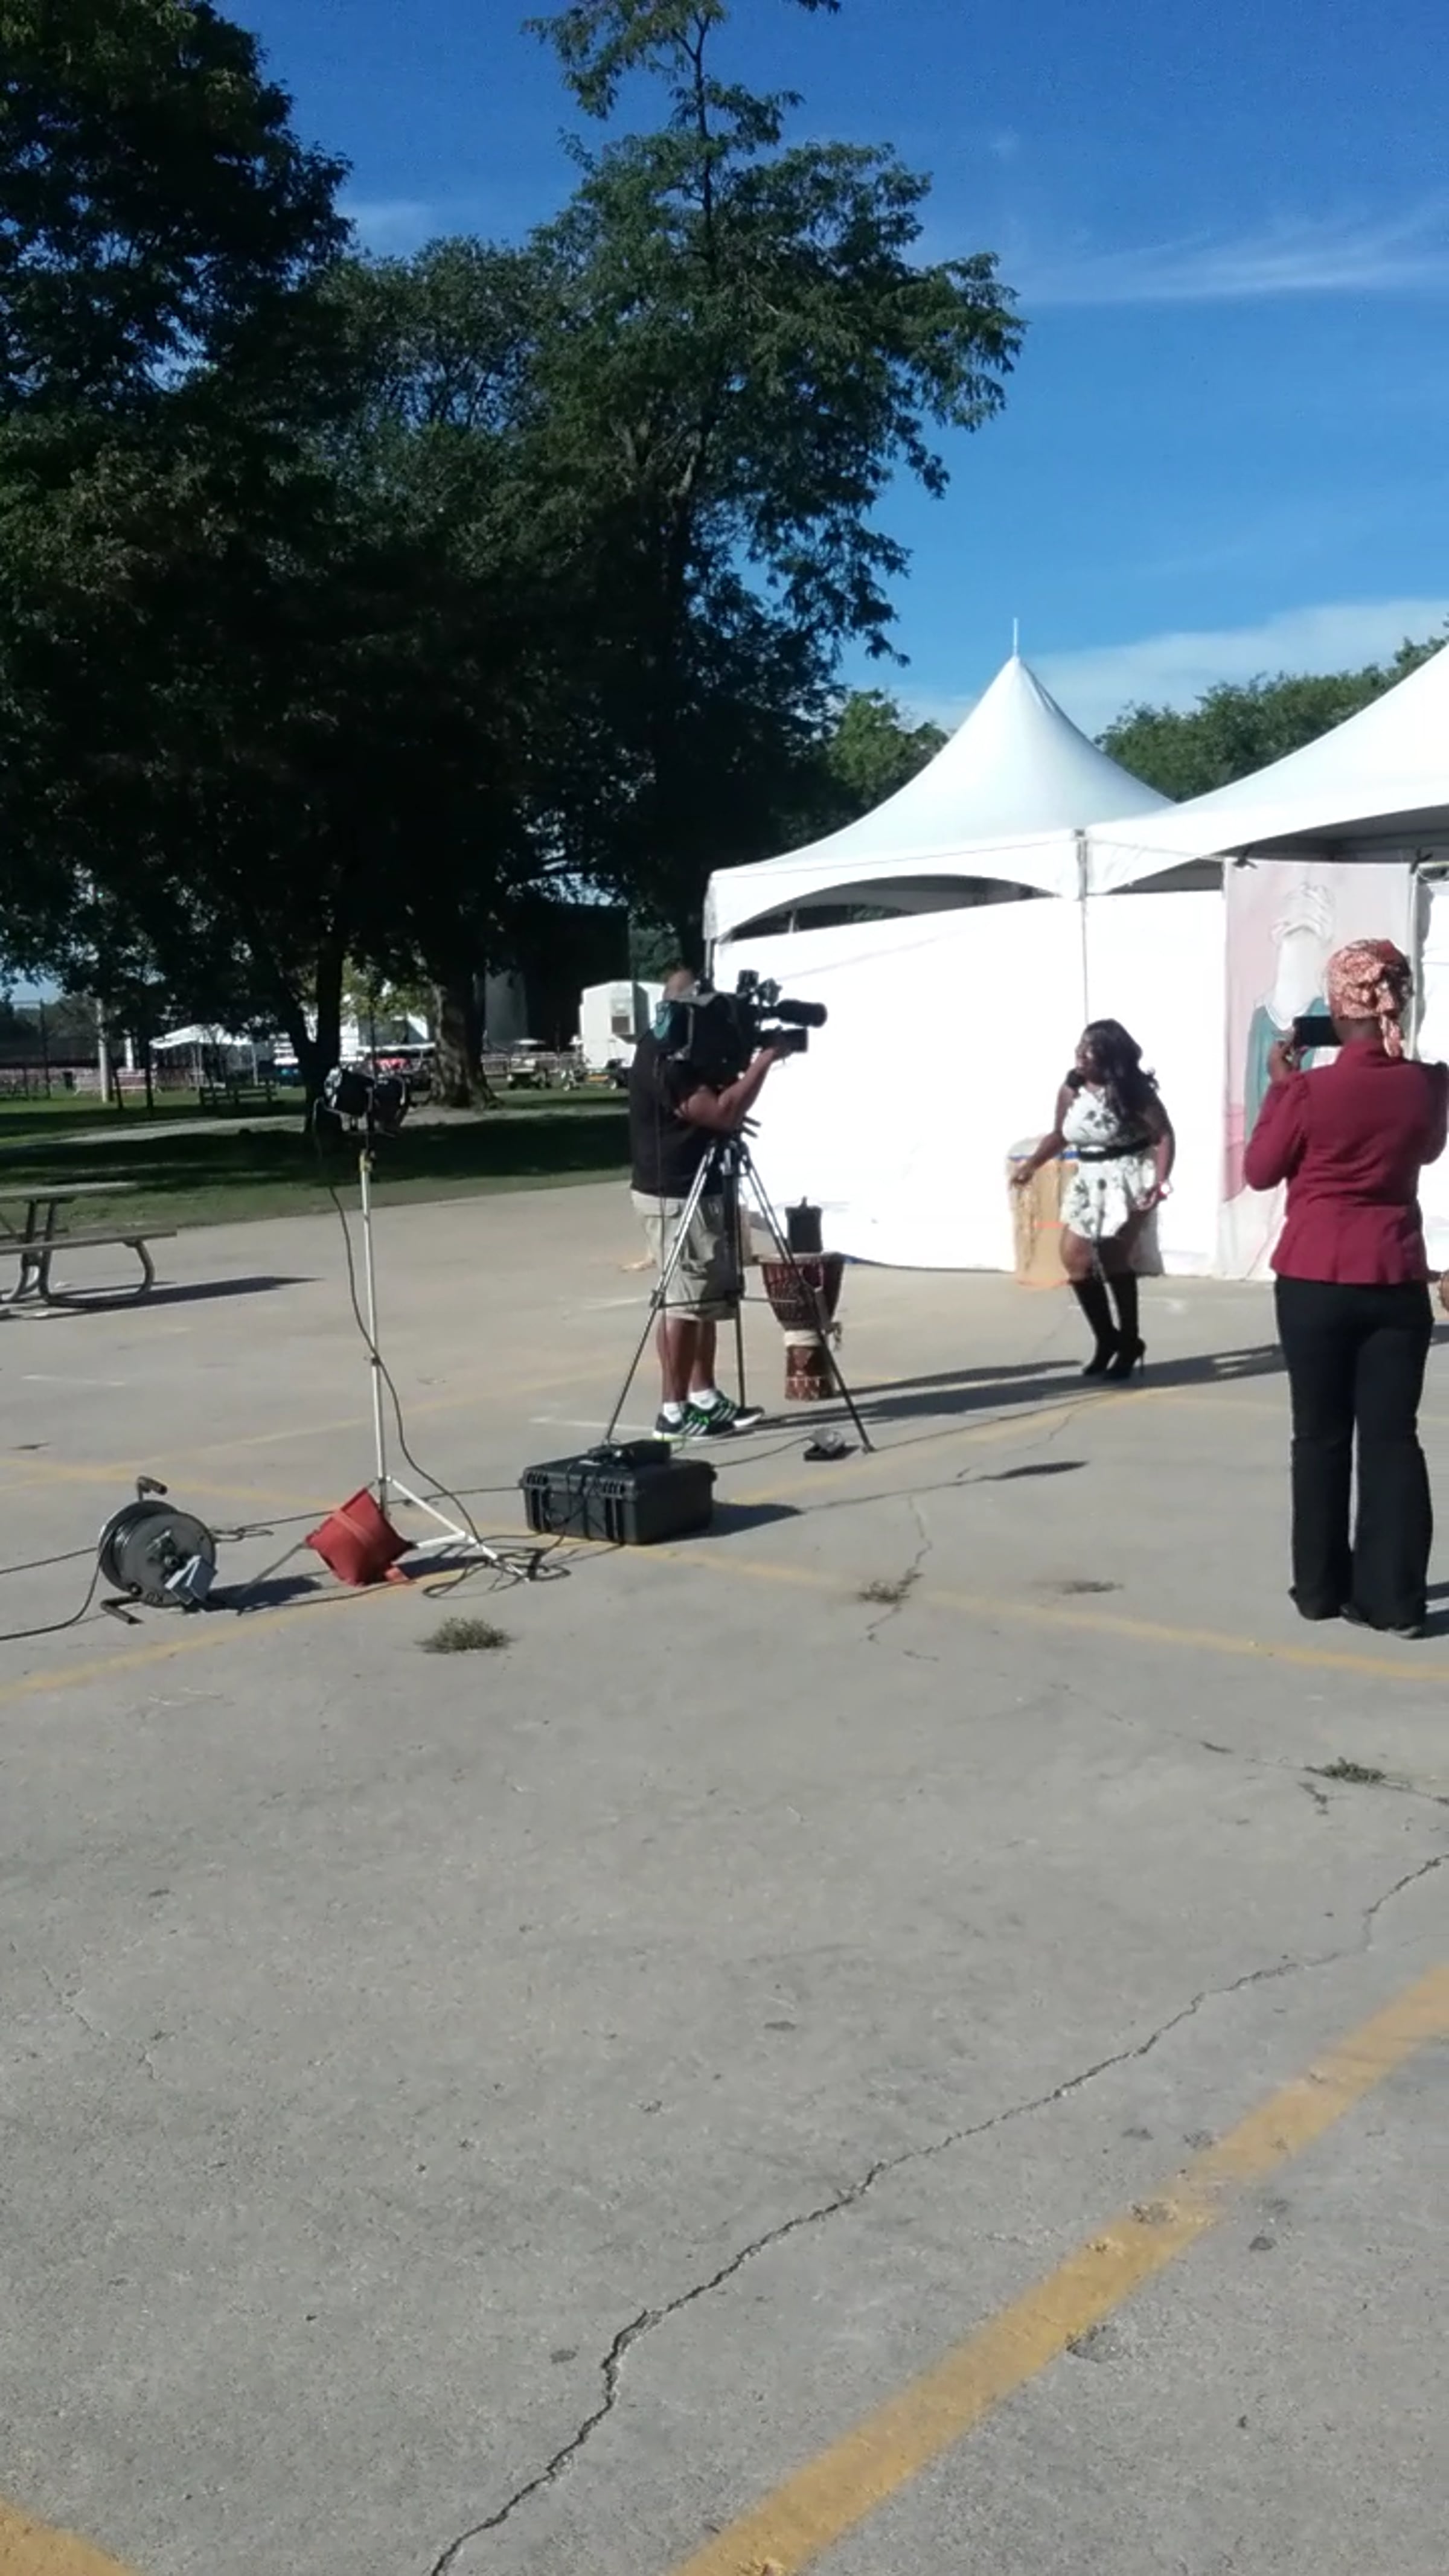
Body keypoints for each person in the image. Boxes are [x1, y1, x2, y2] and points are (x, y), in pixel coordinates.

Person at [1244, 937, 1449, 1638]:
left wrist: (1280, 1088)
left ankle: (1320, 1588)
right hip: (1394, 1273)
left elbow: (1261, 1171)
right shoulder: (1430, 1086)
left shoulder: (1308, 1091)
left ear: (1337, 1008)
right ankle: (1394, 1599)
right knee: (1393, 1439)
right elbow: (1426, 1150)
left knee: (1319, 1437)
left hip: (1314, 1275)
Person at [628, 967, 784, 1440]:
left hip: (699, 1185)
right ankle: (673, 1412)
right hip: (674, 1193)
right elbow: (721, 1111)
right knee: (683, 1301)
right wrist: (766, 1059)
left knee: (706, 1299)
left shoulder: (687, 1047)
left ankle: (704, 1396)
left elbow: (714, 1105)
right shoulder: (664, 1054)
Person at [1014, 1019, 1175, 1380]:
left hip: (1127, 1176)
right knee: (1075, 1259)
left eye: (1091, 1050)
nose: (1081, 1055)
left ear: (1110, 1056)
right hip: (1089, 1177)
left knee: (1113, 1257)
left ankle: (1129, 1341)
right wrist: (1032, 1165)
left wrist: (1161, 1182)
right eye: (1080, 1047)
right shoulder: (1071, 1090)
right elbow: (1061, 1135)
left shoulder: (1132, 1092)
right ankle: (1107, 1339)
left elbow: (1163, 1135)